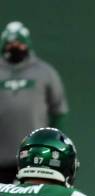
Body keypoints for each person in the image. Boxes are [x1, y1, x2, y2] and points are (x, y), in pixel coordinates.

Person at [0, 21, 68, 183]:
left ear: (27, 44)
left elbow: (58, 110)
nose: (15, 47)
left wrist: (52, 142)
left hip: (35, 155)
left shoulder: (45, 72)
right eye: (10, 44)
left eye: (19, 43)